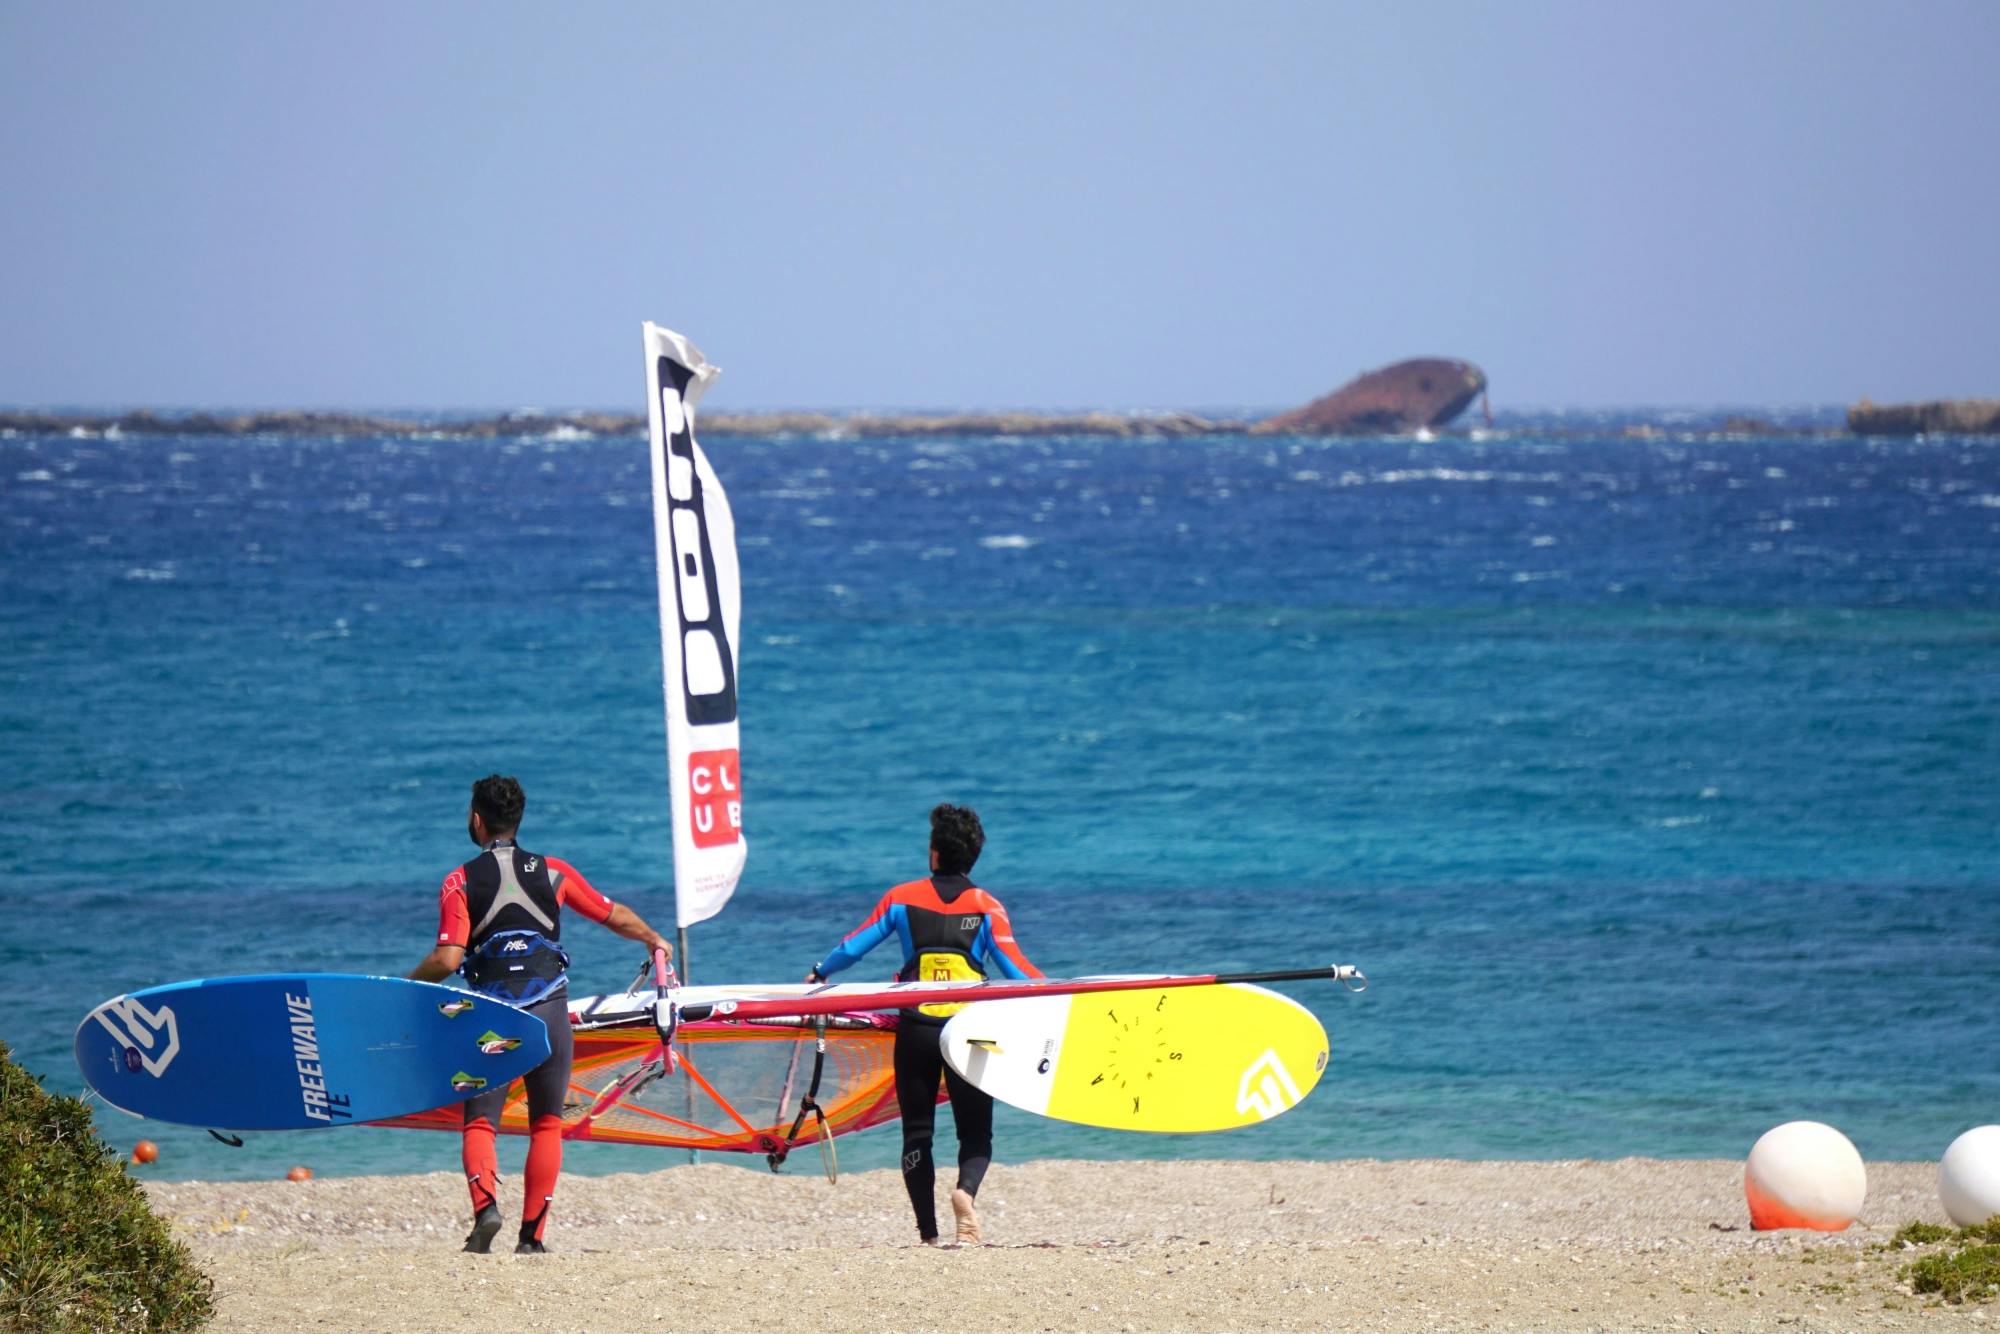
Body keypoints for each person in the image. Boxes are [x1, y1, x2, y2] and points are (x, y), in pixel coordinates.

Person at [408, 774, 671, 1255]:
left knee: (481, 1123)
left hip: (493, 1017)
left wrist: (405, 987)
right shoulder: (555, 873)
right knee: (547, 1122)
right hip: (548, 1009)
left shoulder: (459, 881)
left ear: (476, 819)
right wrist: (653, 939)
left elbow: (448, 959)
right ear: (518, 818)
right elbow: (613, 914)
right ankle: (533, 1239)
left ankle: (486, 1211)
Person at [805, 803, 1041, 1246]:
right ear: (974, 856)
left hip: (916, 1027)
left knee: (917, 1131)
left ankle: (928, 1235)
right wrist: (1062, 994)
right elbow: (1017, 969)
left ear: (934, 854)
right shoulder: (987, 907)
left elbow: (854, 946)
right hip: (970, 1028)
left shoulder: (901, 898)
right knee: (976, 1133)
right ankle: (965, 1193)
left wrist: (821, 972)